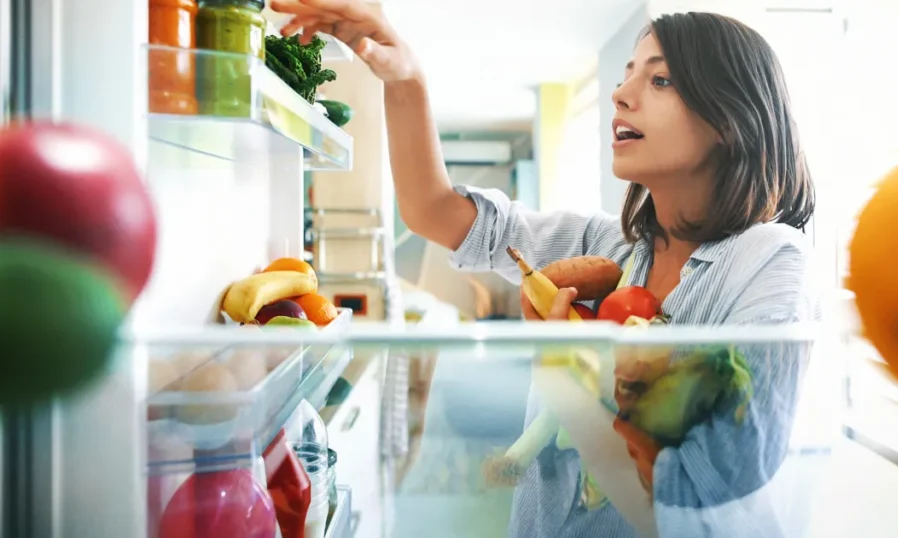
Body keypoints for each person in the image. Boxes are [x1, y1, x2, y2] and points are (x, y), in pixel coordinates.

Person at [272, 1, 821, 536]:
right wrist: (404, 76)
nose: (620, 93)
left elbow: (694, 501)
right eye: (628, 74)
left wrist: (562, 371)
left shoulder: (770, 261)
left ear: (729, 117)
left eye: (659, 81)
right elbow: (433, 211)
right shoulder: (612, 245)